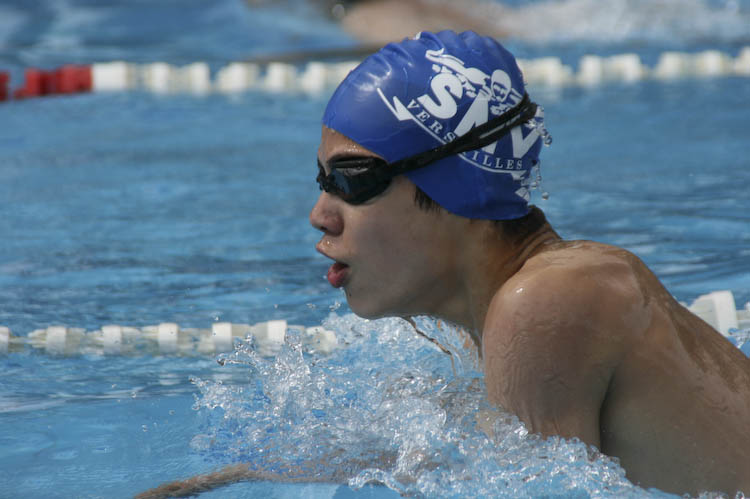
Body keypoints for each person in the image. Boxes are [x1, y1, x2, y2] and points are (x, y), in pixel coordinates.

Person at [139, 30, 750, 498]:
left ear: (458, 188)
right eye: (322, 181)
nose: (320, 214)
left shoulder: (544, 303)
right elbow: (460, 461)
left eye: (352, 180)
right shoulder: (514, 310)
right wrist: (235, 478)